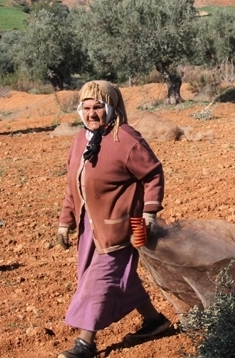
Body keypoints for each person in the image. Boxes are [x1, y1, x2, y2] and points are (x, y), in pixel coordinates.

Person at [56, 80, 171, 358]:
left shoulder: (125, 138)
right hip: (89, 227)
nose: (91, 113)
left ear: (111, 108)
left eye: (97, 107)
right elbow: (76, 184)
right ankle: (156, 321)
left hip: (121, 227)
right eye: (86, 108)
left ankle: (85, 343)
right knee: (106, 278)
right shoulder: (80, 140)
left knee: (100, 281)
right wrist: (65, 220)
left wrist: (149, 214)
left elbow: (153, 173)